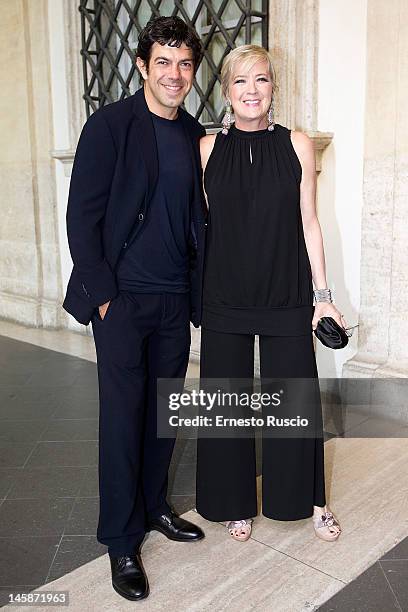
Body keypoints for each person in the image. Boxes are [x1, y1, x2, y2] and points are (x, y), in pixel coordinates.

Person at [63, 16, 207, 602]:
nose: (175, 75)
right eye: (164, 63)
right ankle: (122, 540)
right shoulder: (111, 126)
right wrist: (103, 297)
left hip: (174, 300)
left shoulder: (193, 131)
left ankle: (155, 509)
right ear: (144, 66)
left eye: (185, 64)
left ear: (193, 73)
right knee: (122, 421)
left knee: (164, 415)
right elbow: (83, 216)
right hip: (121, 302)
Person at [196, 44, 342, 543]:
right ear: (225, 91)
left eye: (260, 79)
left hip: (286, 292)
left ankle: (312, 500)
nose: (251, 91)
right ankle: (234, 502)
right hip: (225, 295)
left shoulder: (297, 144)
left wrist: (323, 294)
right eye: (240, 81)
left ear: (273, 87)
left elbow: (309, 221)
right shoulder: (207, 150)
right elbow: (203, 226)